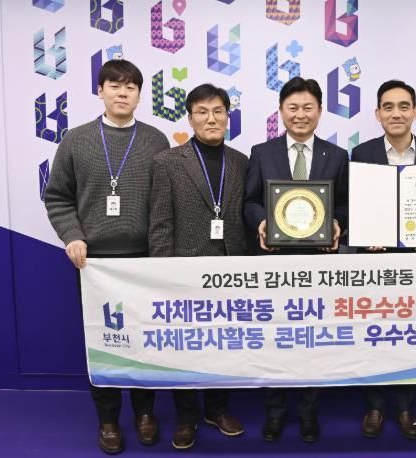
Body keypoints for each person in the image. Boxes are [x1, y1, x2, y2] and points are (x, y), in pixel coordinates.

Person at [44, 59, 169, 454]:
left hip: (144, 262)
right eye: (114, 85)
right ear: (100, 91)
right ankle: (109, 420)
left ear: (139, 94)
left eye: (130, 86)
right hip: (94, 264)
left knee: (145, 340)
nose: (122, 92)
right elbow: (57, 197)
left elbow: (165, 203)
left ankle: (146, 413)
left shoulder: (156, 140)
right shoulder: (76, 140)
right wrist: (72, 235)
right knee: (105, 341)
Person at [244, 76, 349, 443]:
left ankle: (308, 412)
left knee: (312, 339)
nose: (300, 114)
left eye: (308, 107)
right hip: (273, 262)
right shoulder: (262, 152)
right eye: (293, 107)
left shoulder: (337, 156)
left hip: (318, 264)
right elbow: (250, 201)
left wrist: (336, 223)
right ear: (281, 111)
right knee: (275, 337)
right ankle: (275, 412)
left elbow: (344, 204)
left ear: (320, 111)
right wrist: (261, 223)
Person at [149, 84, 247, 450]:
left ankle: (217, 409)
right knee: (186, 345)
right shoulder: (167, 162)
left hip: (231, 269)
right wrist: (163, 273)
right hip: (184, 271)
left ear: (228, 117)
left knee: (224, 343)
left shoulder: (241, 161)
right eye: (202, 112)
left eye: (218, 111)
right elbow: (160, 222)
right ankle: (186, 416)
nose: (211, 118)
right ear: (190, 119)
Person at [350, 79, 416, 440]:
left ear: (415, 112)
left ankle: (406, 407)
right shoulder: (362, 153)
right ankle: (374, 406)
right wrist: (365, 236)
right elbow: (354, 205)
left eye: (404, 106)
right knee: (375, 334)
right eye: (388, 107)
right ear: (377, 114)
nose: (396, 113)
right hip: (376, 263)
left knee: (411, 334)